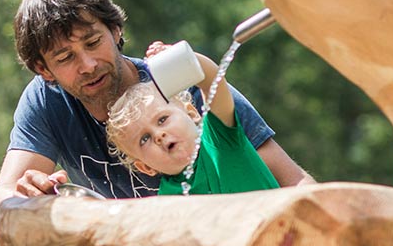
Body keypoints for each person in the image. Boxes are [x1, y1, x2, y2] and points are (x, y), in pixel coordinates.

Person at [0, 0, 311, 207]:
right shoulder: (46, 103)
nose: (88, 64)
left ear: (115, 31)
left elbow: (293, 181)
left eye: (93, 42)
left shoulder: (181, 87)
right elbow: (3, 201)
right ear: (43, 70)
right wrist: (26, 195)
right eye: (65, 58)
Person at [103, 46, 279, 195]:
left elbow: (211, 80)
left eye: (162, 119)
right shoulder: (167, 202)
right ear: (146, 168)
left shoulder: (220, 140)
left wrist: (182, 58)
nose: (158, 135)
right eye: (144, 139)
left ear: (192, 113)